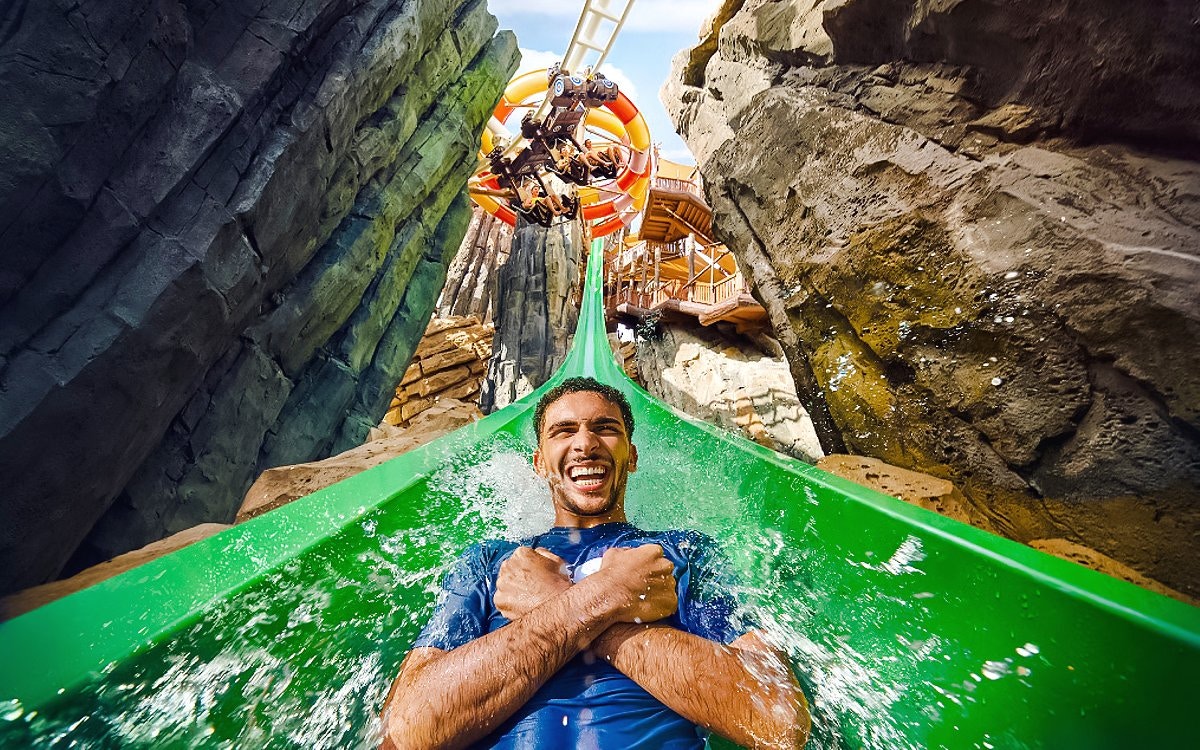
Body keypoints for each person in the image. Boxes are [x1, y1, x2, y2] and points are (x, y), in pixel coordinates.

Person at [379, 377, 811, 749]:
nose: (585, 443)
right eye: (563, 432)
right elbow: (406, 732)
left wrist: (563, 603)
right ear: (538, 463)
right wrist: (609, 595)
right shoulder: (491, 562)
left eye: (605, 429)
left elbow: (778, 721)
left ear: (633, 456)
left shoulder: (682, 552)